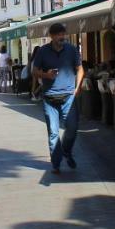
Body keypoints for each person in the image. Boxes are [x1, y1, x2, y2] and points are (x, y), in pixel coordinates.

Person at [30, 23, 84, 173]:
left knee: (72, 129)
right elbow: (34, 71)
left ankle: (66, 151)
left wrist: (77, 87)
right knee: (53, 133)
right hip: (49, 98)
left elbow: (80, 69)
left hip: (68, 97)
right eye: (59, 34)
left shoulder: (72, 50)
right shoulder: (43, 51)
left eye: (63, 34)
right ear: (52, 36)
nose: (62, 37)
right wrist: (46, 75)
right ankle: (56, 163)